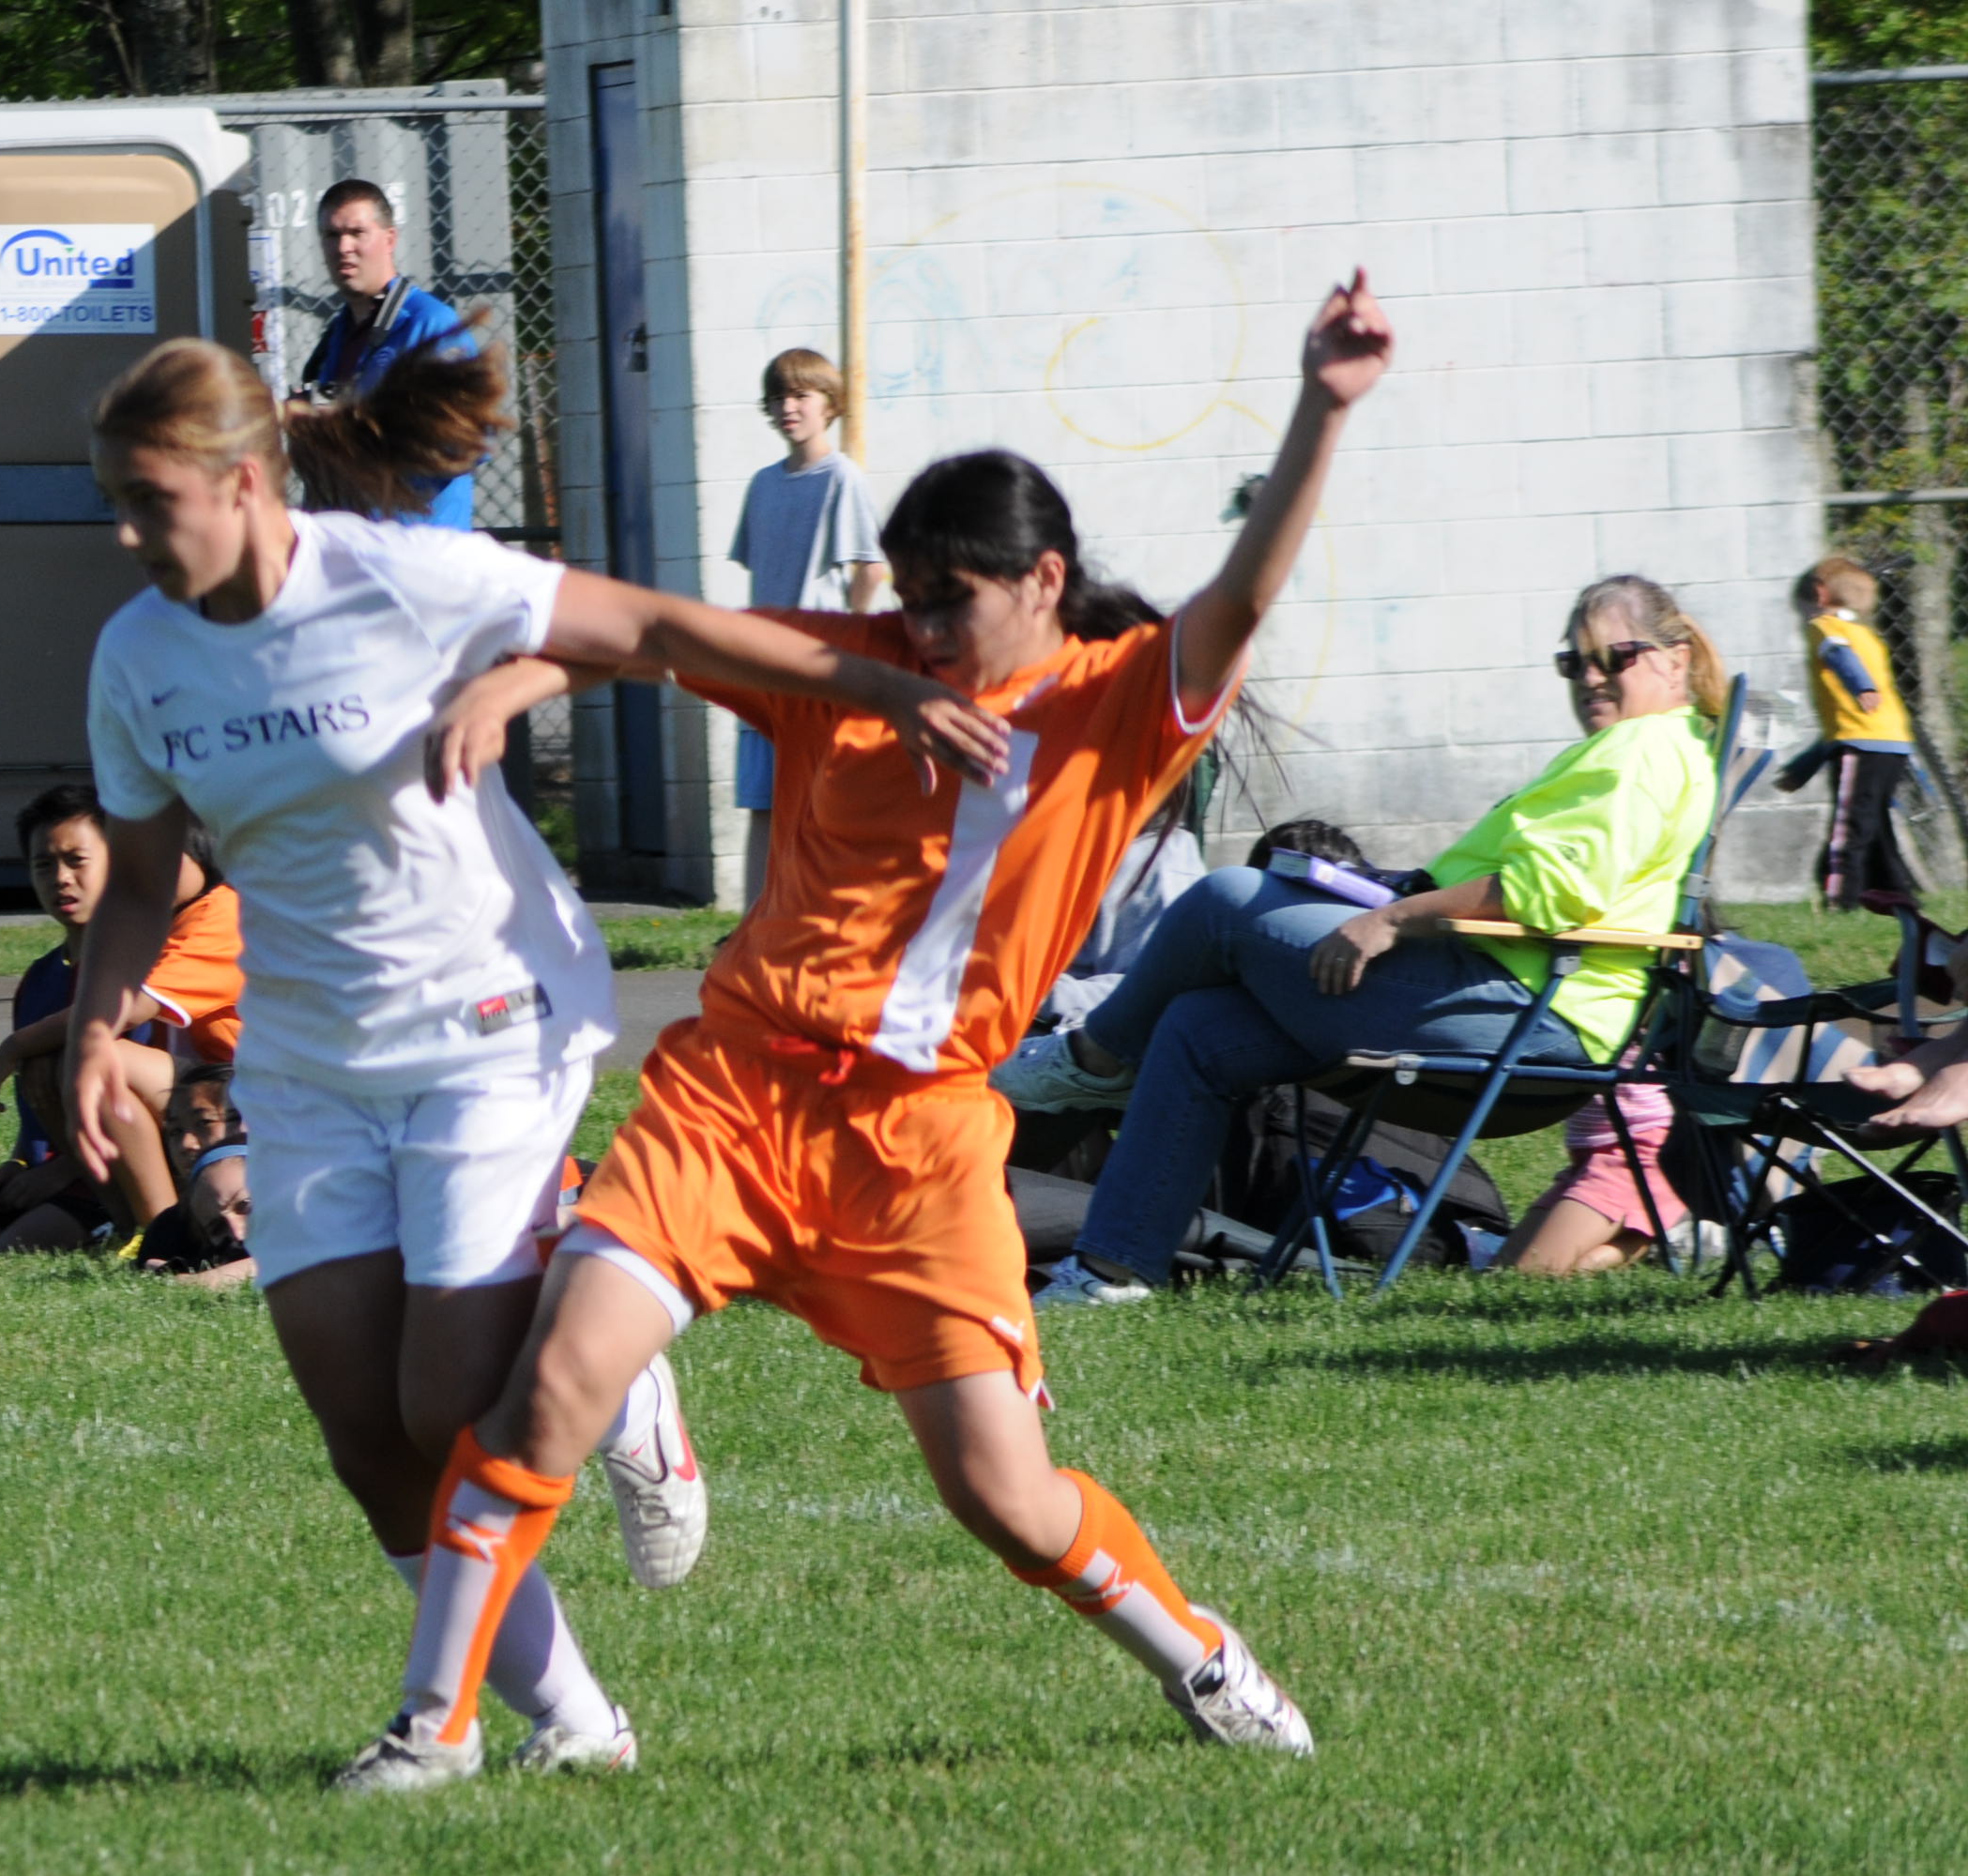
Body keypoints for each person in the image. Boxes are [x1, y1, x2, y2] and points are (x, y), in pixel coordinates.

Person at [379, 275, 1397, 1793]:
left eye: (947, 601)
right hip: (735, 1099)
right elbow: (654, 636)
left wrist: (1321, 405)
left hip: (919, 1149)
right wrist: (521, 676)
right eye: (904, 596)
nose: (914, 628)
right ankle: (433, 1728)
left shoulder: (1119, 701)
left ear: (1042, 581)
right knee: (548, 1390)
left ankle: (1199, 1653)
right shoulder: (851, 671)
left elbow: (1239, 601)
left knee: (1005, 1499)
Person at [66, 333, 1010, 1791]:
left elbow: (661, 626)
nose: (127, 539)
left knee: (448, 1405)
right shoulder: (137, 654)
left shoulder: (401, 577)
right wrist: (95, 1025)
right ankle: (575, 1720)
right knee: (366, 1437)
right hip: (309, 1063)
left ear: (244, 483)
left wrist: (880, 691)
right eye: (115, 507)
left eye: (148, 503)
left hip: (489, 1026)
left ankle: (613, 1379)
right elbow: (139, 880)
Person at [1005, 569, 1725, 1303]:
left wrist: (1390, 919)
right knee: (1199, 1029)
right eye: (1574, 662)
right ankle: (1113, 1271)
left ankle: (1094, 1058)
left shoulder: (1643, 753)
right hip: (1501, 991)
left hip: (1527, 1012)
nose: (1592, 678)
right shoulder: (1653, 750)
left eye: (1615, 657)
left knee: (1224, 899)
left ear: (1674, 660)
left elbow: (1543, 894)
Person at [0, 783, 248, 1255]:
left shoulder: (218, 917)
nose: (61, 879)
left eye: (78, 860)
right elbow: (43, 1098)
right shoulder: (48, 974)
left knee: (100, 1052)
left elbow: (127, 1012)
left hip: (257, 1099)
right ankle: (130, 1220)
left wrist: (14, 1045)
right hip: (183, 1108)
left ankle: (161, 1230)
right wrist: (25, 1163)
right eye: (44, 865)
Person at [729, 348, 889, 907]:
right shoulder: (762, 484)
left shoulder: (842, 477)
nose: (788, 407)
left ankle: (827, 914)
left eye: (801, 395)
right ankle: (755, 923)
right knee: (764, 802)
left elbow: (870, 568)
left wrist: (849, 641)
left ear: (829, 404)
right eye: (778, 397)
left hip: (816, 672)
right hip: (763, 669)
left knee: (823, 802)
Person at [291, 179, 480, 529]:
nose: (343, 247)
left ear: (390, 239)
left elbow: (472, 442)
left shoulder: (431, 325)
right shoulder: (337, 335)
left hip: (417, 547)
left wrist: (362, 429)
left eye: (357, 233)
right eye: (331, 235)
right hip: (353, 544)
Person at [1784, 553, 1924, 914]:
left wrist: (1860, 684)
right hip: (1892, 743)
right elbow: (1841, 727)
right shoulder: (1868, 638)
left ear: (1819, 594)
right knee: (1873, 821)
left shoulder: (1824, 627)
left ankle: (1840, 897)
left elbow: (1837, 654)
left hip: (1862, 747)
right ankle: (1897, 892)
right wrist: (1805, 766)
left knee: (1850, 825)